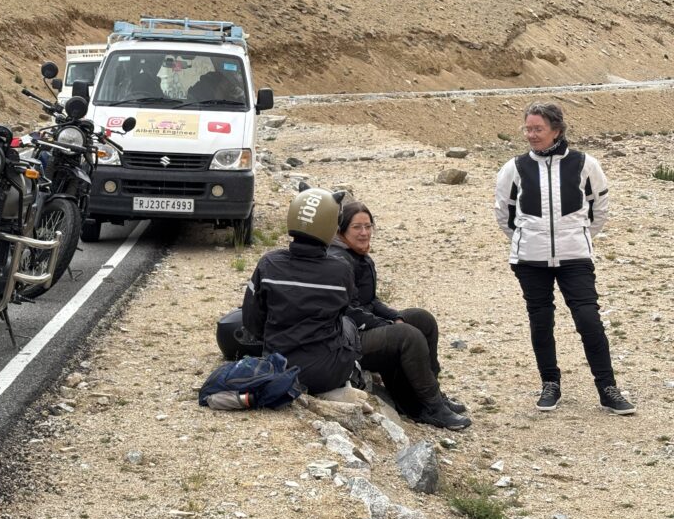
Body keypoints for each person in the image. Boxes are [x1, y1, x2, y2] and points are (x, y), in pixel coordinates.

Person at [494, 102, 635, 415]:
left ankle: (608, 388)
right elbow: (504, 214)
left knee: (588, 319)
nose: (531, 135)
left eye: (537, 129)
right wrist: (527, 240)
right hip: (530, 261)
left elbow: (599, 211)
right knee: (541, 321)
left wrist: (578, 238)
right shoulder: (514, 168)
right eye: (527, 129)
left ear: (556, 130)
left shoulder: (585, 164)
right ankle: (550, 384)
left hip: (575, 258)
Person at [328, 200, 471, 430]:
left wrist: (394, 316)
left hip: (362, 327)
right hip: (348, 339)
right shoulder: (340, 260)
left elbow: (370, 300)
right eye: (357, 227)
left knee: (421, 319)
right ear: (341, 230)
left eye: (368, 226)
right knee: (407, 335)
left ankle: (431, 392)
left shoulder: (359, 256)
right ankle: (430, 408)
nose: (364, 233)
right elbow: (349, 310)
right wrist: (387, 324)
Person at [241, 189, 359, 395]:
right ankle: (354, 375)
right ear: (331, 224)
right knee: (348, 324)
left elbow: (252, 319)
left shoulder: (268, 263)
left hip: (278, 367)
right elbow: (344, 309)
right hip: (325, 375)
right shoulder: (341, 270)